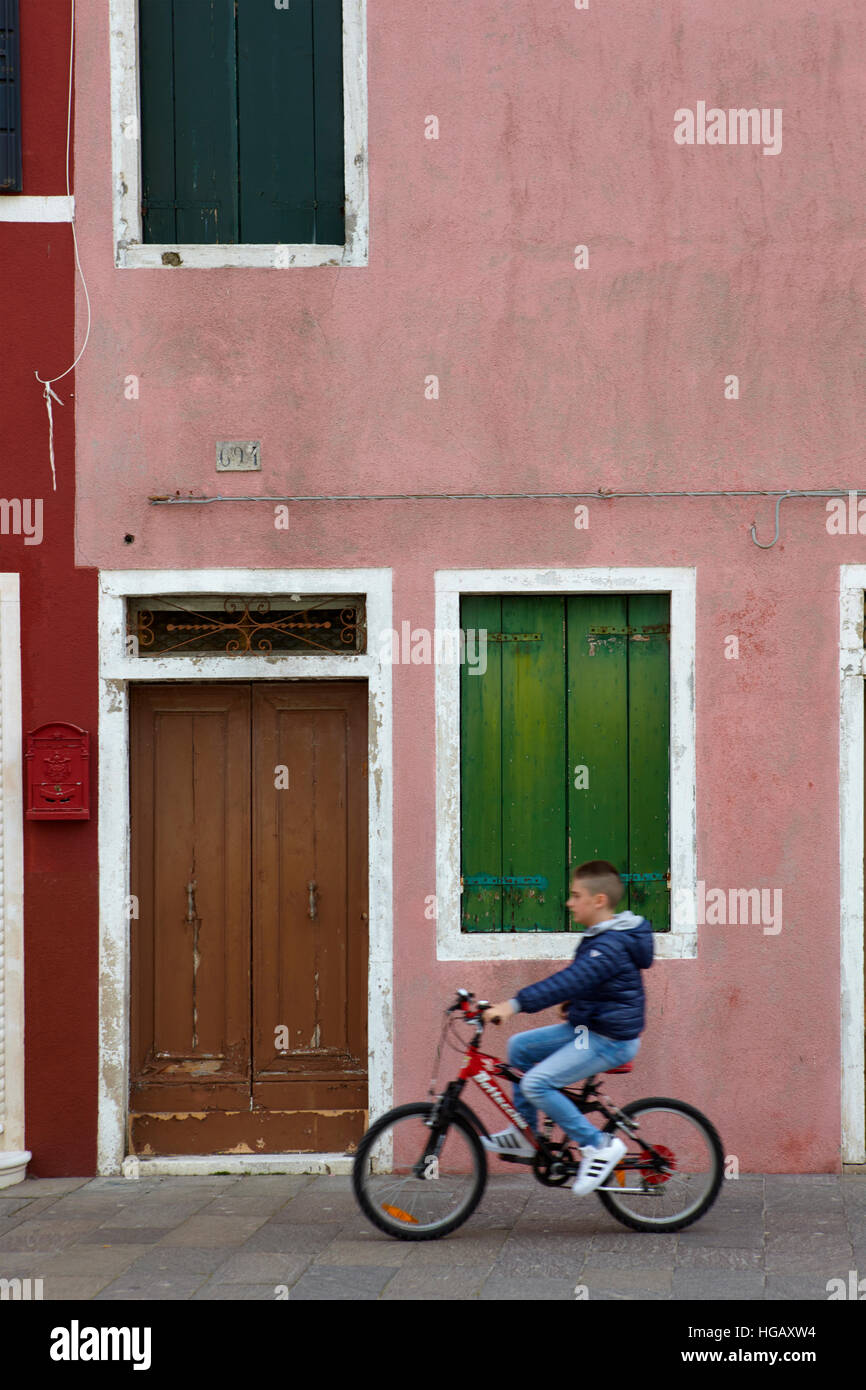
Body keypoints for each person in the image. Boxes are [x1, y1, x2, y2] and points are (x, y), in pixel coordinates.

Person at [481, 860, 654, 1194]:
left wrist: (512, 1005)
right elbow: (594, 984)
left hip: (609, 1040)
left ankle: (598, 1145)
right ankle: (525, 1133)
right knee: (520, 1048)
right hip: (591, 1029)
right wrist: (576, 1005)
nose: (569, 902)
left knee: (535, 1084)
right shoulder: (603, 937)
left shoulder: (609, 945)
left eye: (576, 896)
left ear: (599, 900)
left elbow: (570, 980)